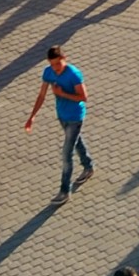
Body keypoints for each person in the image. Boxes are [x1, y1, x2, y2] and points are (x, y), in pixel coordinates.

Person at [24, 43, 95, 203]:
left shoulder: (74, 74)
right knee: (77, 143)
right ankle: (88, 166)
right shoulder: (48, 73)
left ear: (64, 59)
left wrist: (62, 93)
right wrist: (32, 116)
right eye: (52, 64)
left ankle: (64, 191)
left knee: (66, 154)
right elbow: (41, 95)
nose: (55, 68)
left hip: (75, 117)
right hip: (62, 115)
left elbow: (83, 97)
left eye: (58, 63)